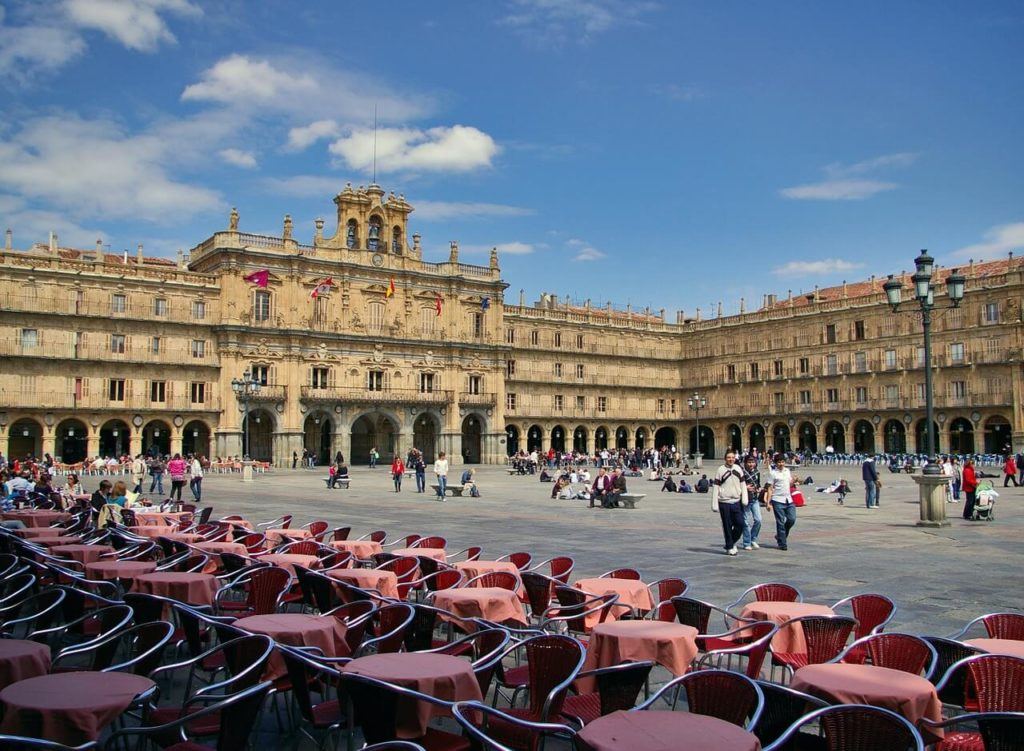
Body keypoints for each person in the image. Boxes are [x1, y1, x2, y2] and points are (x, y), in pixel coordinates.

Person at [711, 450, 748, 556]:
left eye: (732, 457)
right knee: (727, 525)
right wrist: (715, 503)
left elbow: (743, 484)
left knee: (740, 524)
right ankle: (730, 546)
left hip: (736, 501)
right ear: (725, 459)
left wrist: (744, 498)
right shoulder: (720, 470)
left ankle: (730, 543)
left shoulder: (738, 469)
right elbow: (716, 487)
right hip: (724, 502)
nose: (731, 459)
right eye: (728, 457)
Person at [766, 453, 799, 551]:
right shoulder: (773, 473)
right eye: (779, 462)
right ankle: (782, 543)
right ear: (776, 463)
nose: (781, 464)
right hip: (777, 500)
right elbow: (770, 488)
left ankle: (780, 536)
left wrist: (794, 480)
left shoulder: (787, 471)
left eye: (782, 462)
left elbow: (789, 484)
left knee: (791, 519)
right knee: (780, 522)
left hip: (788, 499)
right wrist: (768, 502)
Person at [740, 454, 763, 551]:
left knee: (758, 520)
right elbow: (737, 486)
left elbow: (758, 484)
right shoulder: (741, 473)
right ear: (745, 463)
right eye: (749, 462)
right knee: (746, 522)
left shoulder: (757, 472)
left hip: (754, 499)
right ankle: (746, 542)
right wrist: (745, 488)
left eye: (752, 462)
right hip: (745, 500)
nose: (751, 464)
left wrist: (758, 489)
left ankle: (753, 538)